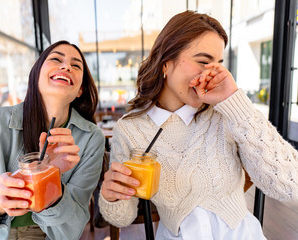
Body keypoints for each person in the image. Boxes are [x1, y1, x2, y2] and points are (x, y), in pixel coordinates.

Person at [98, 10, 298, 239]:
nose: (211, 74)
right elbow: (121, 217)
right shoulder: (130, 130)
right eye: (203, 61)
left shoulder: (226, 114)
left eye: (218, 64)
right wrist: (111, 196)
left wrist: (236, 102)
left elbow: (288, 184)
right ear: (166, 62)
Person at [0, 40, 105, 240]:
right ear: (36, 76)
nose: (66, 66)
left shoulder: (92, 139)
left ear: (80, 90)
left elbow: (71, 231)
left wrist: (52, 182)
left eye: (76, 65)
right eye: (56, 59)